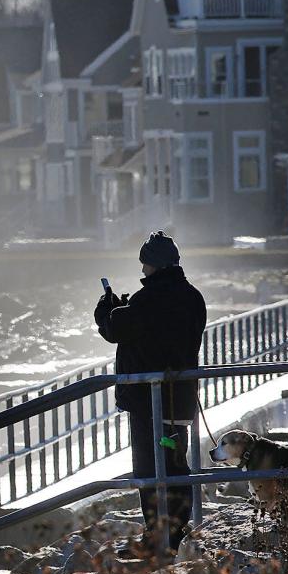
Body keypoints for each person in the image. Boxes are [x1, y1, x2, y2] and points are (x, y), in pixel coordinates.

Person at [94, 231, 206, 556]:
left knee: (150, 469)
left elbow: (115, 329)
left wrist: (108, 308)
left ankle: (156, 539)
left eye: (145, 265)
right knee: (175, 462)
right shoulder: (193, 297)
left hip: (148, 402)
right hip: (180, 399)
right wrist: (126, 310)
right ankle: (176, 533)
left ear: (153, 265)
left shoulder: (148, 300)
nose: (143, 271)